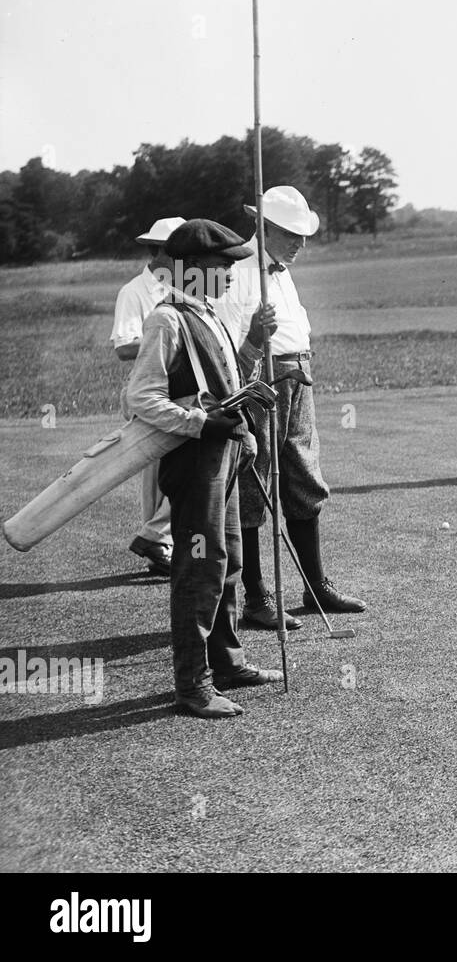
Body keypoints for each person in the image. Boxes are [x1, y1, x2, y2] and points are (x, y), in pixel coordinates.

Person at [125, 219, 283, 718]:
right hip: (195, 462)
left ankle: (228, 663)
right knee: (201, 569)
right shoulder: (167, 320)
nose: (233, 273)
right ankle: (192, 684)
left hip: (227, 455)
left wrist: (255, 341)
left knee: (230, 560)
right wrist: (198, 421)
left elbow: (227, 379)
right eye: (222, 266)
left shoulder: (211, 313)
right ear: (191, 270)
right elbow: (142, 398)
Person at [216, 184, 366, 626]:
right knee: (254, 483)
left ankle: (315, 586)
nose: (300, 243)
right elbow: (228, 343)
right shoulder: (239, 270)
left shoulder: (282, 269)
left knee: (303, 478)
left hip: (299, 378)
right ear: (262, 226)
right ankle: (257, 597)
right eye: (290, 233)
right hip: (260, 378)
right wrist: (253, 347)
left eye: (303, 235)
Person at [110, 216, 186, 575]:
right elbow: (124, 347)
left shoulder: (189, 286)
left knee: (182, 467)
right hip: (149, 390)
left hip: (182, 390)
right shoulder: (134, 292)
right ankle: (158, 544)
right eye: (178, 251)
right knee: (155, 473)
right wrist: (169, 340)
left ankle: (157, 540)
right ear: (158, 252)